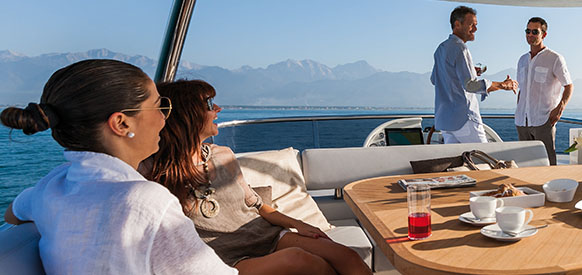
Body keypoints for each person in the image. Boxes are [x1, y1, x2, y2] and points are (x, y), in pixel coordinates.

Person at [1, 59, 236, 274]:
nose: (165, 118)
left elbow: (12, 213)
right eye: (159, 107)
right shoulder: (146, 200)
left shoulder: (53, 184)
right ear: (121, 124)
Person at [140, 80, 370, 275]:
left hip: (263, 235)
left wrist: (299, 224)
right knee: (301, 261)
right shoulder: (152, 171)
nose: (218, 108)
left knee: (346, 255)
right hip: (221, 254)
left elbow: (256, 204)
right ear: (187, 113)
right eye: (209, 104)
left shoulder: (223, 155)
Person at [432, 5, 518, 143]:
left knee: (456, 157)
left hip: (446, 122)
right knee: (484, 155)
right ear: (457, 24)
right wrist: (503, 85)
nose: (475, 29)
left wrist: (467, 70)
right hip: (464, 120)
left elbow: (435, 79)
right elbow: (471, 86)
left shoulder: (441, 49)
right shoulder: (461, 48)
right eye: (472, 25)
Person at [515, 17, 574, 165]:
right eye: (528, 31)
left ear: (544, 34)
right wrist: (518, 109)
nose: (530, 35)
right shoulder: (522, 60)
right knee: (525, 164)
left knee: (548, 162)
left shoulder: (555, 58)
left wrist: (559, 108)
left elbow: (568, 86)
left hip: (543, 119)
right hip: (522, 121)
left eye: (535, 32)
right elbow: (522, 89)